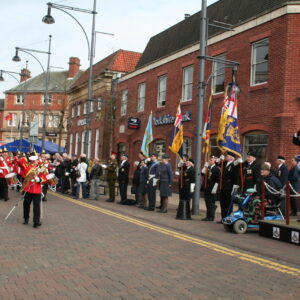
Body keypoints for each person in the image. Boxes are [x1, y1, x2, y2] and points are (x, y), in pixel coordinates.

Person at [22, 153, 47, 228]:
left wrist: (40, 179)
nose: (37, 161)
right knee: (26, 205)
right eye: (36, 160)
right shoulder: (27, 168)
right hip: (28, 189)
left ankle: (36, 221)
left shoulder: (40, 168)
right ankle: (26, 218)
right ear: (32, 161)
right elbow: (25, 175)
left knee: (37, 206)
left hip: (37, 189)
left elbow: (44, 177)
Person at [218, 151, 240, 222]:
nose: (225, 157)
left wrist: (235, 189)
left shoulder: (235, 165)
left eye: (227, 156)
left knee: (228, 204)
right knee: (222, 203)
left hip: (230, 186)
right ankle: (223, 218)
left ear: (231, 157)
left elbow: (236, 177)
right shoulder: (224, 163)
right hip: (223, 186)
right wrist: (219, 159)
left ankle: (228, 218)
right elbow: (217, 164)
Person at [201, 155, 220, 221]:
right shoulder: (208, 168)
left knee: (211, 203)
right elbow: (202, 173)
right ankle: (208, 216)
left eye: (211, 160)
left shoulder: (216, 168)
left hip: (212, 188)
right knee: (207, 202)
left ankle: (211, 217)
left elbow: (218, 180)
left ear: (215, 161)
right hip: (207, 188)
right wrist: (205, 166)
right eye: (209, 160)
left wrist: (215, 188)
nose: (210, 161)